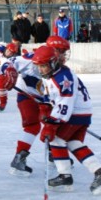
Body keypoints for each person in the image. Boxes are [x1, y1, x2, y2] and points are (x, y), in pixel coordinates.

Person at [0, 36, 71, 177]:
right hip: (27, 95)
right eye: (61, 51)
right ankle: (19, 159)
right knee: (32, 126)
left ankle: (54, 154)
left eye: (65, 52)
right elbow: (7, 62)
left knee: (55, 124)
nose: (64, 56)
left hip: (45, 100)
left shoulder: (60, 68)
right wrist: (9, 72)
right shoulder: (32, 58)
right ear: (53, 50)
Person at [32, 45, 101, 194]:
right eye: (39, 66)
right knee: (73, 143)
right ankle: (98, 172)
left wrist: (51, 125)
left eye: (43, 66)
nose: (41, 69)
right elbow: (48, 94)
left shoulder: (62, 78)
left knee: (55, 139)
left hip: (74, 113)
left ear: (52, 63)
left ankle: (65, 176)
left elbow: (65, 105)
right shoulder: (51, 74)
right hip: (80, 113)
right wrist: (45, 107)